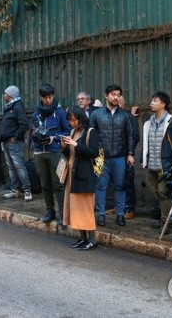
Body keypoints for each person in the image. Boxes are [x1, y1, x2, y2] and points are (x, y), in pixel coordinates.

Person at [90, 84, 135, 227]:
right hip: (100, 156)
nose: (116, 97)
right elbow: (91, 135)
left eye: (118, 95)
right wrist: (94, 153)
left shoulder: (125, 116)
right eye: (113, 94)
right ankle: (100, 214)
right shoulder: (96, 114)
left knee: (120, 186)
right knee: (100, 186)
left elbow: (130, 135)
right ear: (106, 95)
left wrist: (130, 154)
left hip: (120, 156)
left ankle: (120, 214)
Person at [141, 91, 172, 231]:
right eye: (152, 100)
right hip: (151, 166)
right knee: (158, 193)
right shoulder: (148, 123)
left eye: (155, 100)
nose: (151, 103)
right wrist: (143, 159)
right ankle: (165, 218)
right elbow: (145, 143)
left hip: (165, 166)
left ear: (163, 104)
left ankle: (166, 222)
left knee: (164, 193)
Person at [61, 105, 100, 250]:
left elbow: (94, 152)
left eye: (74, 120)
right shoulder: (72, 132)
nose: (71, 123)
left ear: (80, 118)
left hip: (84, 175)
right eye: (70, 120)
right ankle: (82, 238)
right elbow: (69, 154)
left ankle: (92, 240)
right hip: (72, 175)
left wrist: (76, 144)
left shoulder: (91, 132)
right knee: (75, 209)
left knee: (85, 209)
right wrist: (64, 146)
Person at [31, 83, 71, 224]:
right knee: (45, 185)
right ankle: (50, 211)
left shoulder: (60, 112)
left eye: (50, 97)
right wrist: (35, 136)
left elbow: (68, 131)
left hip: (56, 152)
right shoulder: (36, 114)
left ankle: (63, 214)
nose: (48, 100)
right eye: (45, 98)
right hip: (39, 153)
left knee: (59, 183)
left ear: (53, 95)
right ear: (41, 98)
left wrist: (54, 138)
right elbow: (33, 131)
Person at [0, 85, 33, 201]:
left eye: (5, 93)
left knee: (18, 166)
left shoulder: (17, 106)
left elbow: (24, 124)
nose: (3, 95)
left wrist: (16, 136)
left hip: (14, 142)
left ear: (10, 95)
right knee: (11, 167)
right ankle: (15, 190)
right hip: (6, 141)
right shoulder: (9, 106)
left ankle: (27, 189)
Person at [119, 95, 140, 219]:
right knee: (117, 182)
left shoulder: (129, 118)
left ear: (121, 104)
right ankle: (120, 207)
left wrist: (129, 152)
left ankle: (130, 208)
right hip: (114, 155)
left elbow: (135, 136)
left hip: (126, 154)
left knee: (128, 181)